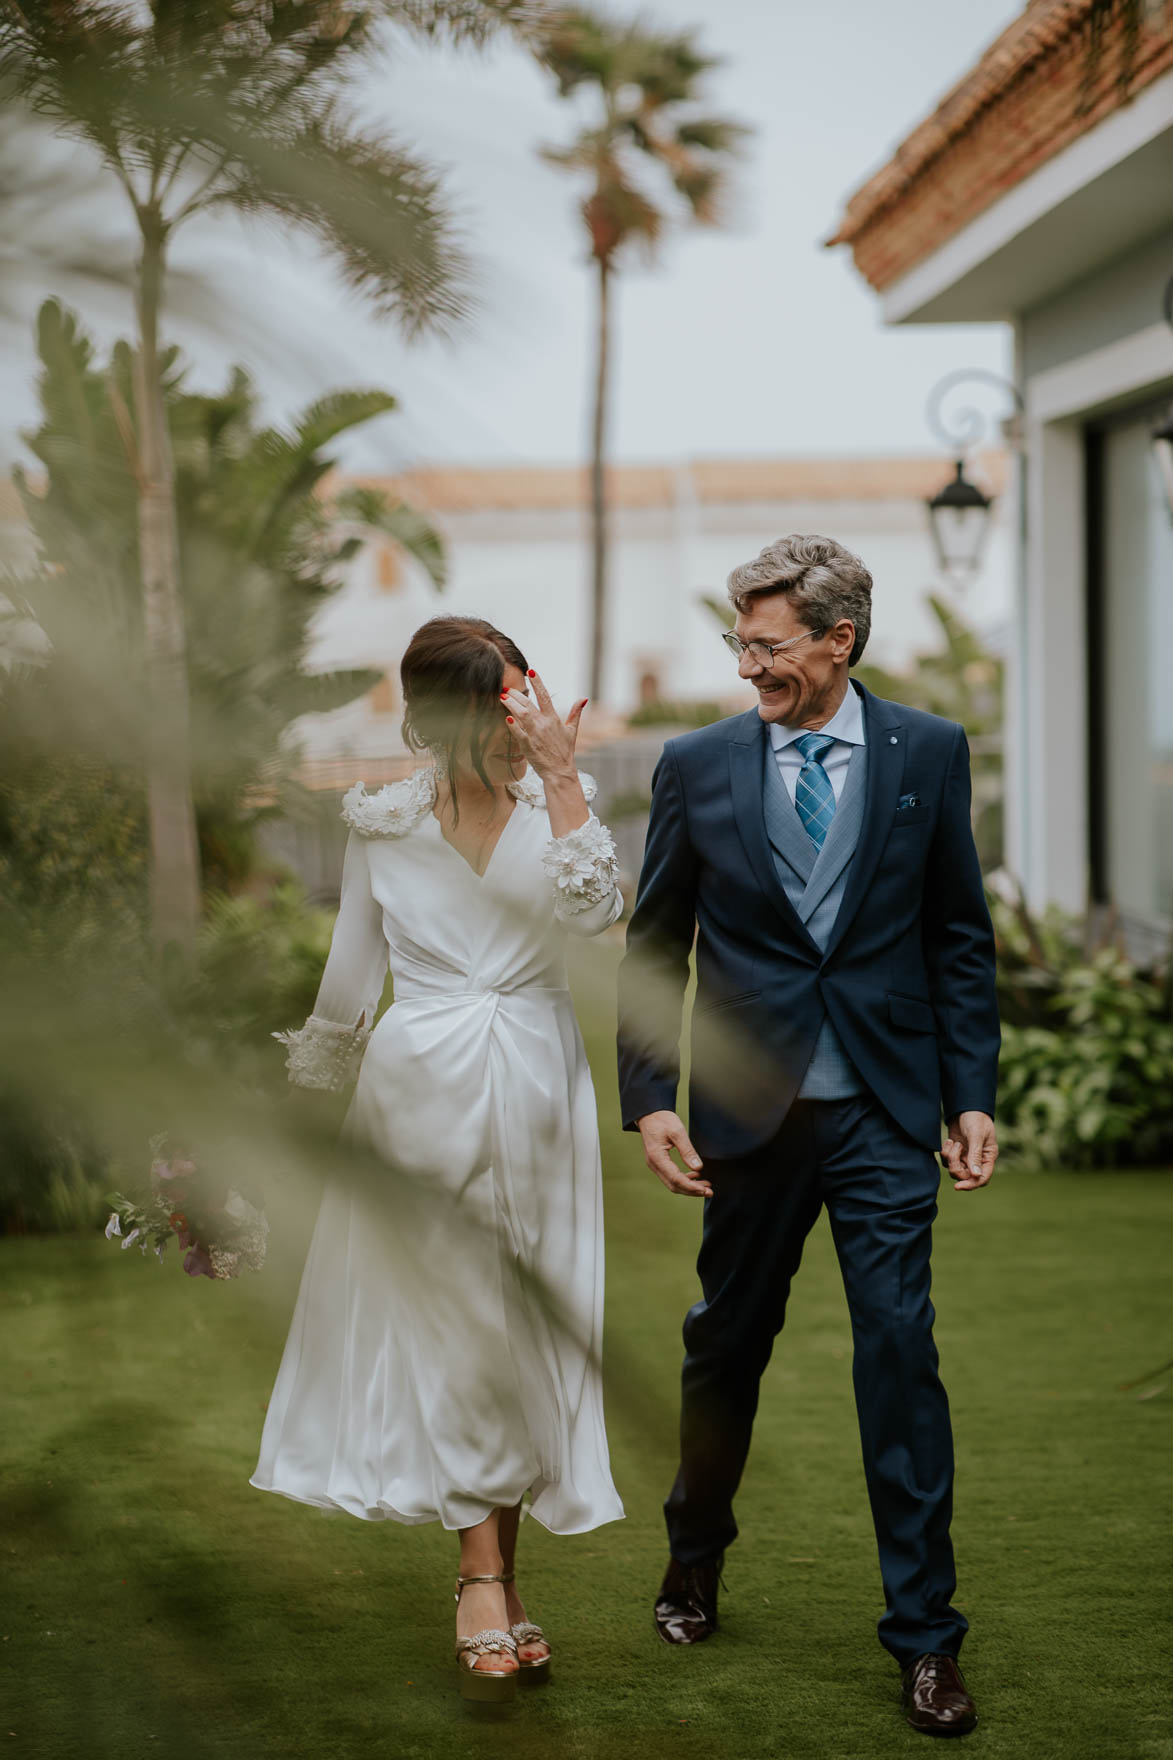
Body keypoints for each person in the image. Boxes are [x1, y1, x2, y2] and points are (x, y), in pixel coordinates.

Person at [617, 535, 999, 1739]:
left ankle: (928, 1639)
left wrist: (969, 1089)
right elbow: (651, 945)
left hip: (888, 1108)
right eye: (742, 642)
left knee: (900, 1351)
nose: (749, 666)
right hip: (746, 1112)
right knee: (726, 1343)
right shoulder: (697, 763)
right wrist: (653, 1092)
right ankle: (693, 1555)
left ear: (839, 641)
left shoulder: (930, 752)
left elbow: (956, 933)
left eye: (770, 645)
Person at [253, 615, 625, 1705]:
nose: (528, 715)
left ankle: (499, 1574)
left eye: (530, 692)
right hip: (418, 1091)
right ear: (448, 717)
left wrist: (562, 787)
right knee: (462, 1319)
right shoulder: (381, 823)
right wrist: (297, 1108)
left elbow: (598, 920)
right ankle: (479, 1575)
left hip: (541, 1087)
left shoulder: (567, 810)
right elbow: (347, 980)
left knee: (525, 1322)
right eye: (507, 702)